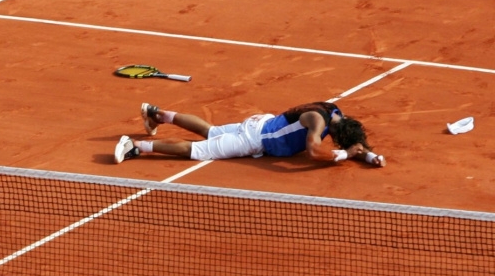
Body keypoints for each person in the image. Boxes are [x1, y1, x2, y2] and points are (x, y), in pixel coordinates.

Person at [114, 102, 386, 167]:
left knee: (210, 131)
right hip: (254, 139)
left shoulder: (336, 113)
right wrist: (343, 155)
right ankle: (135, 146)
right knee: (197, 150)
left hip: (261, 123)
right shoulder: (318, 121)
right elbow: (314, 150)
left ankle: (156, 113)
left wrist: (368, 154)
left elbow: (351, 140)